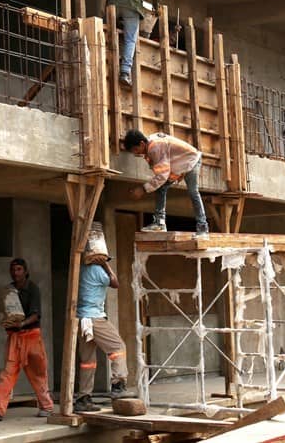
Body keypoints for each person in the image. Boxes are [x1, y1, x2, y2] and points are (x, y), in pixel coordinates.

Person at [0, 258, 54, 421]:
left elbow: (36, 314)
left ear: (25, 271)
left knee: (38, 373)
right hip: (15, 338)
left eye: (19, 270)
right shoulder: (9, 290)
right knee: (8, 373)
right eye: (13, 270)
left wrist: (21, 323)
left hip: (32, 336)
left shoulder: (33, 289)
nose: (15, 273)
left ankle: (47, 406)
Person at [123, 129, 209, 237]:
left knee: (193, 192)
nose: (136, 153)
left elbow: (162, 176)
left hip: (191, 161)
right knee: (161, 188)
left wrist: (143, 189)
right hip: (179, 164)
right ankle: (160, 223)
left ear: (142, 143)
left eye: (136, 149)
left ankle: (202, 227)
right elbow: (163, 172)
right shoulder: (150, 146)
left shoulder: (155, 148)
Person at [74, 252, 130, 412]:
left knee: (87, 362)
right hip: (95, 318)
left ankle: (83, 399)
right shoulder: (97, 270)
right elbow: (115, 283)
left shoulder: (81, 269)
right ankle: (118, 386)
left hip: (81, 318)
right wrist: (105, 265)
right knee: (118, 348)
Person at [107, 0, 163, 87]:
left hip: (112, 5)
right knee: (131, 38)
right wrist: (156, 6)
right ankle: (125, 72)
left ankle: (108, 57)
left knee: (111, 31)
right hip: (130, 5)